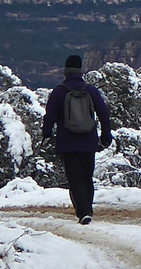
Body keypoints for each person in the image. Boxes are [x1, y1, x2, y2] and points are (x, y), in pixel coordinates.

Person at [42, 55, 113, 224]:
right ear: (80, 70)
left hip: (67, 142)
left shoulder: (59, 91)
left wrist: (46, 133)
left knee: (75, 178)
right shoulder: (91, 90)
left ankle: (83, 212)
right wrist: (106, 135)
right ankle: (87, 208)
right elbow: (104, 113)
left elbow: (49, 116)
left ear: (65, 71)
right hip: (89, 141)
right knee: (87, 176)